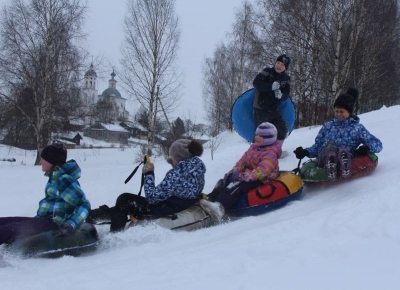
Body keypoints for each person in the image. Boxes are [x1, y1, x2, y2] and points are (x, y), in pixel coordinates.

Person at [89, 139, 206, 232]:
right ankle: (93, 216)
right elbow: (181, 184)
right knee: (127, 205)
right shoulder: (197, 169)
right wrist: (175, 164)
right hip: (176, 204)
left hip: (163, 208)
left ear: (178, 157)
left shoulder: (177, 174)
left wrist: (149, 173)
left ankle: (115, 234)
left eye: (172, 156)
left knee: (124, 199)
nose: (171, 158)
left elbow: (152, 197)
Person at [0, 142, 91, 245]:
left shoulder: (64, 180)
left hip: (54, 223)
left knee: (6, 231)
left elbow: (84, 204)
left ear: (52, 161)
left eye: (43, 159)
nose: (40, 162)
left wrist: (71, 223)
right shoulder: (55, 178)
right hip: (43, 220)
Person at [293, 87, 383, 180]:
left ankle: (343, 164)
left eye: (342, 112)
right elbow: (318, 146)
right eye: (336, 111)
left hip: (345, 156)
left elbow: (377, 144)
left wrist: (367, 148)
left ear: (349, 112)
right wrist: (305, 152)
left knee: (343, 151)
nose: (339, 114)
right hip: (323, 159)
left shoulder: (357, 128)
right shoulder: (327, 126)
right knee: (329, 147)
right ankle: (330, 162)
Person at [200, 122, 282, 222]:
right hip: (249, 175)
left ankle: (219, 208)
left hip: (263, 179)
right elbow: (242, 162)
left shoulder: (271, 153)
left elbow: (261, 172)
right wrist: (233, 172)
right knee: (223, 181)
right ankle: (210, 199)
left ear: (269, 138)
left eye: (261, 136)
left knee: (236, 186)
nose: (257, 137)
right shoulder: (253, 148)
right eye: (256, 134)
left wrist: (242, 177)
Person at [253, 54, 291, 145]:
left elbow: (286, 94)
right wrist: (271, 87)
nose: (279, 66)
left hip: (274, 109)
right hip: (260, 108)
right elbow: (256, 83)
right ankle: (257, 153)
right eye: (278, 63)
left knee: (282, 130)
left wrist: (281, 96)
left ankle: (275, 150)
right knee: (261, 133)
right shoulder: (267, 72)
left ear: (285, 68)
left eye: (282, 65)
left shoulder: (286, 79)